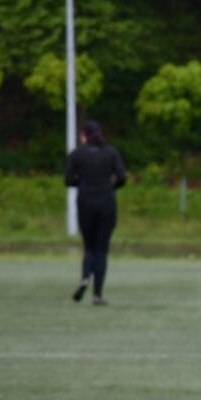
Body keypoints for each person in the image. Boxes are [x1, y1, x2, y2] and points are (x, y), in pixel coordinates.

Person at [66, 119, 127, 305]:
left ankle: (85, 277)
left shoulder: (77, 154)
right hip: (106, 202)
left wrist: (84, 184)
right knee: (102, 249)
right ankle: (97, 295)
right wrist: (109, 187)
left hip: (85, 202)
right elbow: (122, 178)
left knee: (89, 246)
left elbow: (68, 179)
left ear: (84, 135)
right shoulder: (111, 153)